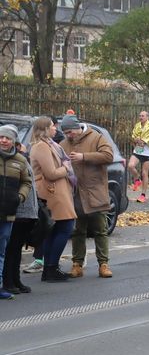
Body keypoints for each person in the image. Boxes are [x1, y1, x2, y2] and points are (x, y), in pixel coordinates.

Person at [59, 115, 115, 278]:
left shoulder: (97, 137)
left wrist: (84, 157)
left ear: (77, 128)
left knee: (100, 230)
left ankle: (103, 264)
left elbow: (108, 156)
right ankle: (77, 265)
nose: (68, 135)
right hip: (74, 194)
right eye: (66, 133)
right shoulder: (63, 144)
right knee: (77, 231)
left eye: (70, 132)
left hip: (94, 191)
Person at [29, 116, 77, 282]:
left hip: (57, 191)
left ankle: (50, 268)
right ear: (44, 129)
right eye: (52, 126)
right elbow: (50, 173)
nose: (55, 128)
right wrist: (66, 168)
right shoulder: (41, 146)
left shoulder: (49, 144)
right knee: (65, 227)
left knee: (55, 229)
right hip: (51, 192)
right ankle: (51, 267)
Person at [0, 125, 32, 299]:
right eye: (1, 137)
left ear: (14, 141)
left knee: (2, 251)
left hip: (8, 213)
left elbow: (27, 182)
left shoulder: (20, 160)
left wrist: (20, 197)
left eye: (7, 138)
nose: (4, 140)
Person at [128, 111, 149, 203]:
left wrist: (145, 141)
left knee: (144, 173)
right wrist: (136, 139)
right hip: (138, 150)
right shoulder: (137, 125)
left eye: (142, 116)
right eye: (140, 116)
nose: (140, 117)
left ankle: (143, 195)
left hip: (147, 152)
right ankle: (137, 179)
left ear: (147, 117)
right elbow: (133, 135)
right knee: (130, 165)